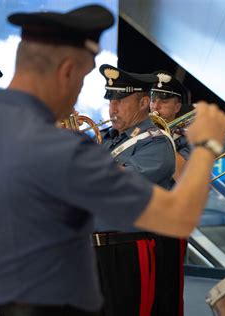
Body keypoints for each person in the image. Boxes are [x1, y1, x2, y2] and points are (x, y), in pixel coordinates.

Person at [0, 5, 225, 316]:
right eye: (81, 79)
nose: (77, 93)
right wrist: (207, 145)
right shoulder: (59, 147)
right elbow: (179, 217)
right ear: (66, 71)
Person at [95, 64, 182, 316]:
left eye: (121, 100)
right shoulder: (104, 138)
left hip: (127, 249)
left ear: (144, 102)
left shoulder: (156, 143)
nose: (113, 108)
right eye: (111, 100)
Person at [150, 70, 192, 179]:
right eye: (153, 100)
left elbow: (181, 176)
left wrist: (162, 138)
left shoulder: (186, 140)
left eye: (163, 102)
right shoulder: (138, 128)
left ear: (177, 107)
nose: (156, 106)